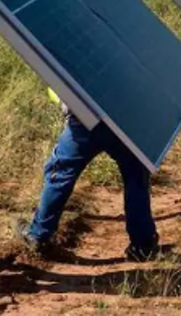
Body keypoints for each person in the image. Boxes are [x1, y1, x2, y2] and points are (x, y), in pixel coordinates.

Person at [15, 91, 161, 262]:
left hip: (85, 117)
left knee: (61, 172)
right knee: (136, 177)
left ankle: (38, 235)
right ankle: (143, 244)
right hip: (126, 117)